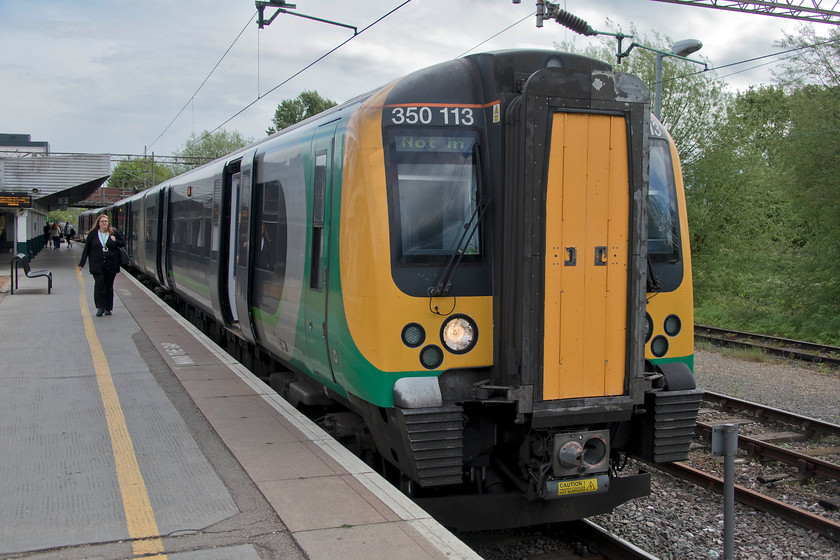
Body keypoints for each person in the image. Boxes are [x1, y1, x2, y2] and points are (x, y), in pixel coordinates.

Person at [78, 214, 125, 317]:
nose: (104, 223)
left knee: (109, 286)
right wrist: (81, 264)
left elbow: (122, 244)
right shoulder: (93, 234)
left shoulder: (114, 233)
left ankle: (108, 308)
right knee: (99, 285)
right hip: (97, 265)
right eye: (102, 221)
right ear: (98, 223)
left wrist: (115, 241)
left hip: (111, 264)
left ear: (108, 223)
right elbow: (86, 250)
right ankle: (100, 307)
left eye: (106, 221)